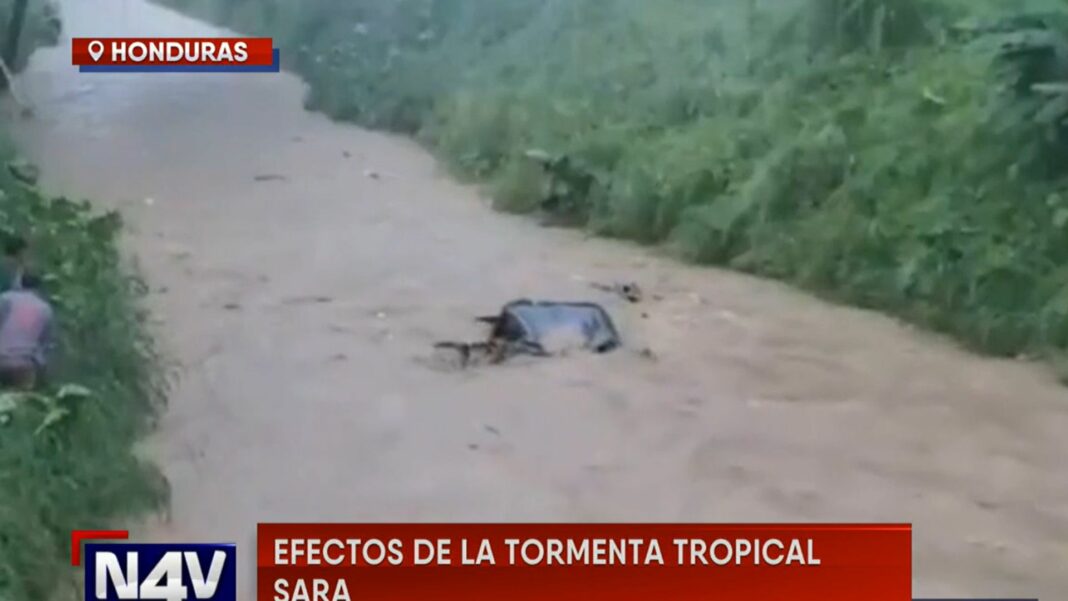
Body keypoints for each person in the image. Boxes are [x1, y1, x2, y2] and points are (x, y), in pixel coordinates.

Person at [0, 273, 55, 389]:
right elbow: (45, 344)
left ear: (19, 283)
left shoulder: (5, 299)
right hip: (25, 363)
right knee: (22, 402)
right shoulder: (45, 308)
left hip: (2, 357)